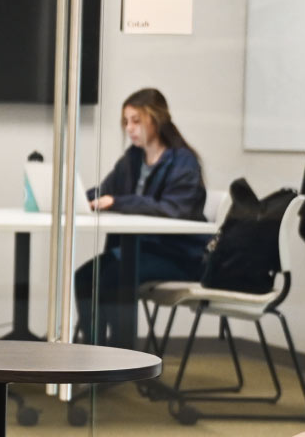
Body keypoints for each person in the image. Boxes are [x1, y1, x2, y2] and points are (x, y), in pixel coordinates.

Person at [74, 88, 209, 348]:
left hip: (177, 255)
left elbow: (172, 209)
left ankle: (120, 354)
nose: (129, 128)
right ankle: (94, 353)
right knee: (84, 278)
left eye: (136, 120)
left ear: (156, 120)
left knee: (112, 277)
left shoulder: (183, 162)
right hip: (140, 250)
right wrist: (84, 199)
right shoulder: (133, 158)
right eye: (126, 122)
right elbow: (107, 190)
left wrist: (117, 202)